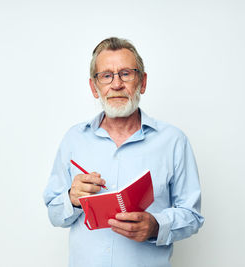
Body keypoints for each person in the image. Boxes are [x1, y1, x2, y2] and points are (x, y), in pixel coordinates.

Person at [43, 37, 204, 267]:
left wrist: (156, 226)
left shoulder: (173, 141)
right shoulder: (74, 139)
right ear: (94, 87)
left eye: (126, 73)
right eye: (106, 75)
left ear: (143, 82)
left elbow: (193, 216)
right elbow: (54, 214)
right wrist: (72, 199)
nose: (116, 84)